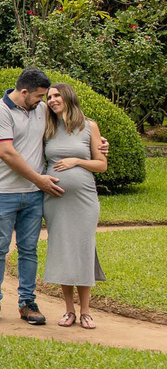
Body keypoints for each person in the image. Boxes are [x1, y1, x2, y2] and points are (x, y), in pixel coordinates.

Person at [0, 67, 61, 326]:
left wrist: (98, 140)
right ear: (24, 92)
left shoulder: (41, 109)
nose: (43, 101)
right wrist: (39, 180)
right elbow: (6, 153)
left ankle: (27, 302)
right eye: (39, 96)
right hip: (2, 192)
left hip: (33, 196)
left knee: (28, 250)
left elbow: (71, 123)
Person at [42, 82, 107, 329]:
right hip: (56, 200)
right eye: (49, 97)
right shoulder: (47, 127)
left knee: (83, 249)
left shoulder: (89, 126)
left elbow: (101, 165)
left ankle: (86, 312)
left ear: (68, 97)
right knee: (63, 250)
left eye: (57, 95)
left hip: (84, 200)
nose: (52, 100)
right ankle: (69, 310)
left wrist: (77, 161)